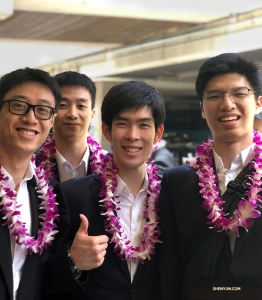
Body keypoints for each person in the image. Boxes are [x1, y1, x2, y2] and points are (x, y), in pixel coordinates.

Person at [45, 80, 165, 300]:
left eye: (144, 125)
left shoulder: (172, 193)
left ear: (158, 133)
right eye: (123, 124)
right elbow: (45, 274)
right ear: (107, 131)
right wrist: (72, 261)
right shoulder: (72, 194)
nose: (133, 135)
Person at [157, 53, 262, 300]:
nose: (227, 104)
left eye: (239, 93)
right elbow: (169, 265)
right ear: (202, 109)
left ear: (258, 103)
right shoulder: (176, 181)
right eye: (214, 96)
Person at [0, 68, 68, 299]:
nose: (31, 118)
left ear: (52, 121)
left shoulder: (49, 195)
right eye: (18, 105)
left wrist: (75, 260)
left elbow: (45, 279)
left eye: (42, 110)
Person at [37, 71, 97, 182]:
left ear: (92, 114)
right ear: (50, 112)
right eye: (63, 105)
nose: (72, 114)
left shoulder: (111, 167)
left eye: (81, 106)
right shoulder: (32, 165)